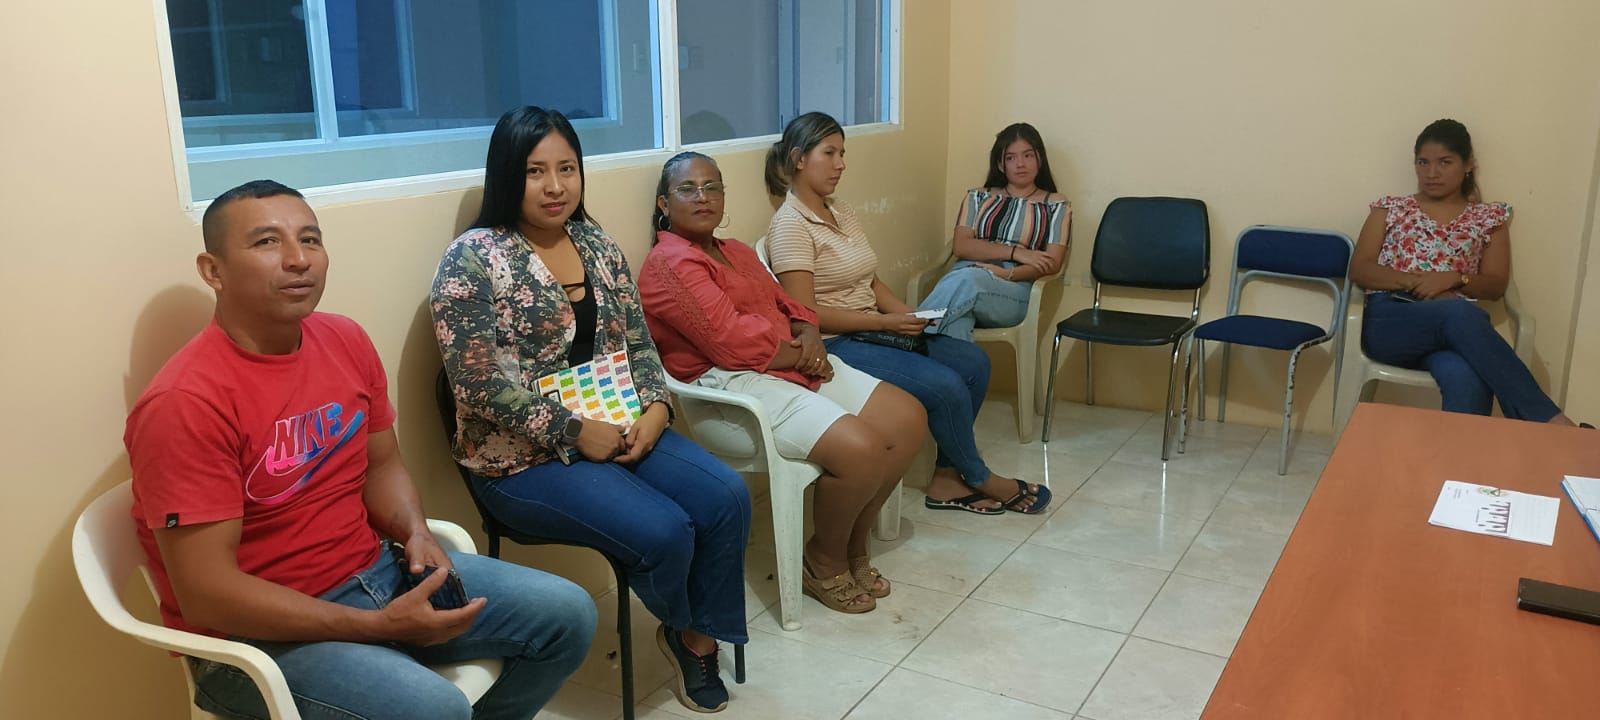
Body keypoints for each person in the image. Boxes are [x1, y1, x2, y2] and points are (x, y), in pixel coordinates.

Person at [126, 179, 597, 720]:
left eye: (310, 239)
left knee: (567, 615)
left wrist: (415, 532)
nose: (298, 259)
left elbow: (382, 466)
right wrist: (375, 627)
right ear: (213, 270)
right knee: (434, 709)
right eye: (267, 242)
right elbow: (207, 595)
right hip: (253, 641)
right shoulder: (184, 402)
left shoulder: (344, 340)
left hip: (374, 572)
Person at [431, 107, 751, 714]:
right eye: (535, 171)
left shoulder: (597, 244)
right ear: (507, 174)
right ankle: (689, 627)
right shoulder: (472, 258)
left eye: (567, 169)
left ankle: (693, 632)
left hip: (621, 422)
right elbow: (475, 384)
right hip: (521, 460)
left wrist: (657, 408)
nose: (555, 186)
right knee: (665, 530)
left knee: (726, 497)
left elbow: (639, 343)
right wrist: (575, 431)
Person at [637, 151, 926, 614]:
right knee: (861, 450)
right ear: (664, 203)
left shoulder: (736, 251)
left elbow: (790, 304)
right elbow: (730, 343)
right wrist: (803, 352)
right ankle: (823, 559)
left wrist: (808, 331)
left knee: (907, 419)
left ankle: (852, 543)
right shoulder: (670, 263)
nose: (702, 197)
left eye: (712, 187)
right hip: (729, 390)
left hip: (790, 364)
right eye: (687, 189)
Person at [763, 111, 1053, 516]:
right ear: (798, 159)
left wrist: (910, 317)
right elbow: (806, 313)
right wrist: (885, 323)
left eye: (842, 153)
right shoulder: (790, 225)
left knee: (973, 362)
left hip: (874, 329)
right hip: (839, 342)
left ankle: (946, 479)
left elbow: (870, 280)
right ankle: (979, 476)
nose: (840, 164)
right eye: (829, 153)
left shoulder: (840, 211)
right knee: (945, 384)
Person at [1352, 118, 1588, 427]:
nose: (1431, 173)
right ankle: (1550, 422)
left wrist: (1455, 278)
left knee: (1466, 376)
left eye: (1444, 162)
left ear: (1468, 165)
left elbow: (1495, 285)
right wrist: (1422, 284)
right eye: (1423, 162)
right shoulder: (1390, 208)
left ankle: (1462, 458)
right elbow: (1360, 268)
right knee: (1458, 313)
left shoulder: (1489, 217)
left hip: (1455, 334)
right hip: (1392, 322)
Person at [916, 122, 1071, 341]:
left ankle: (908, 333)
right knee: (956, 323)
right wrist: (1017, 253)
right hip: (964, 277)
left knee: (968, 281)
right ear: (1000, 164)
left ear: (1040, 158)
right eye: (1011, 158)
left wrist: (1007, 273)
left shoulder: (1055, 204)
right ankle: (925, 353)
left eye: (1028, 155)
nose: (1020, 164)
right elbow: (962, 246)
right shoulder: (977, 197)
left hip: (1013, 289)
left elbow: (1051, 263)